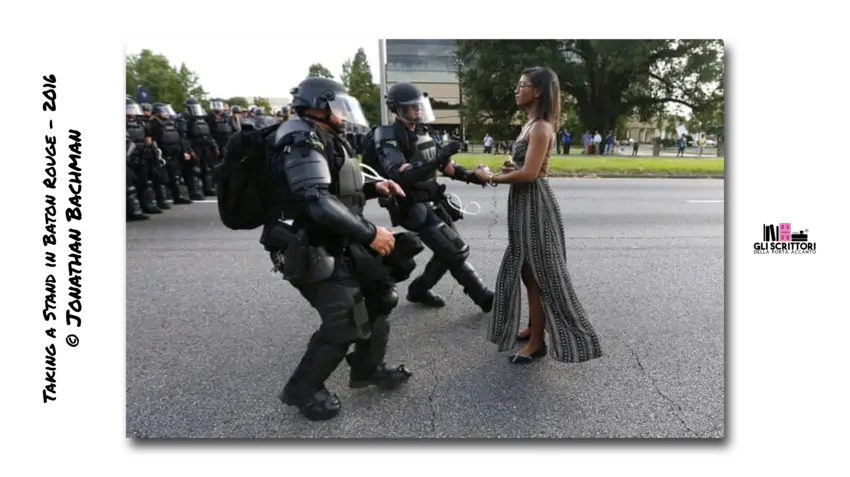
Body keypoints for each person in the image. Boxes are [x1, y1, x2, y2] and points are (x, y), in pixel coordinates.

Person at [263, 77, 414, 421]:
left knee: (380, 296)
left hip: (335, 238)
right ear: (319, 105)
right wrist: (370, 233)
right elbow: (316, 201)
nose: (345, 115)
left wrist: (377, 188)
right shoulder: (300, 139)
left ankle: (366, 368)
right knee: (344, 321)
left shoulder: (323, 137)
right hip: (308, 245)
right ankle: (302, 389)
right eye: (339, 107)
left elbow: (337, 188)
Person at [474, 67, 603, 364]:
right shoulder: (530, 125)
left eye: (523, 85)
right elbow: (525, 167)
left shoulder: (542, 126)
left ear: (539, 91)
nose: (517, 90)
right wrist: (510, 168)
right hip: (523, 203)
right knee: (526, 269)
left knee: (538, 274)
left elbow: (531, 174)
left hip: (535, 205)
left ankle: (537, 343)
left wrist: (491, 177)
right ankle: (535, 327)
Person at [361, 82, 494, 312]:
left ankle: (418, 290)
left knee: (447, 252)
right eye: (412, 107)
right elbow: (399, 175)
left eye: (419, 106)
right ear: (398, 109)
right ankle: (485, 298)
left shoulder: (424, 132)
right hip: (411, 205)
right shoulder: (388, 135)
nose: (418, 111)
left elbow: (448, 166)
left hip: (433, 200)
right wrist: (437, 160)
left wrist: (475, 177)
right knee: (455, 250)